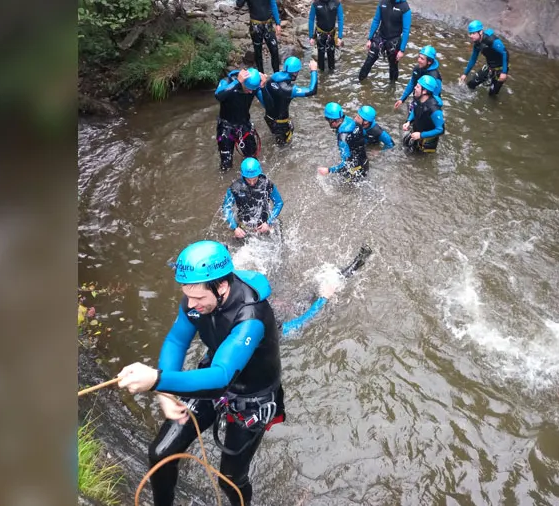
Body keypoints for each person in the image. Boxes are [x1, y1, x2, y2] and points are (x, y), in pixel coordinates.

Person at [116, 240, 285, 506]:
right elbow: (176, 340)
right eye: (187, 296)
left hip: (250, 398)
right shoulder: (196, 298)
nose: (191, 304)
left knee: (230, 479)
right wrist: (165, 392)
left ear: (222, 286)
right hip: (211, 378)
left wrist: (157, 380)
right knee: (160, 454)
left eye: (198, 298)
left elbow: (221, 377)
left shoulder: (251, 317)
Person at [280, 245, 373, 337]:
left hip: (291, 312)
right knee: (331, 288)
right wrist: (323, 298)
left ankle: (352, 266)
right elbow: (301, 322)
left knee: (315, 291)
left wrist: (284, 305)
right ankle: (357, 264)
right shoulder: (280, 332)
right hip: (306, 318)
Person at [257, 57, 318, 146]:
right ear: (295, 73)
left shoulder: (273, 78)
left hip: (269, 117)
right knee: (283, 147)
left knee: (275, 139)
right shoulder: (288, 89)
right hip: (281, 124)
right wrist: (314, 71)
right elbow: (312, 90)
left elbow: (265, 97)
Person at [215, 68, 265, 172]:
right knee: (226, 165)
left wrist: (263, 87)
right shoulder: (227, 82)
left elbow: (269, 106)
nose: (250, 92)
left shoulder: (254, 87)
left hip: (244, 125)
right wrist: (237, 82)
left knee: (252, 160)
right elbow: (218, 96)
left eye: (253, 89)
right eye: (248, 88)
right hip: (226, 127)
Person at [222, 158, 284, 239]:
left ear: (259, 174)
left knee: (279, 236)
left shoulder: (267, 184)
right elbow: (226, 208)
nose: (251, 183)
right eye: (248, 180)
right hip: (244, 226)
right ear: (243, 175)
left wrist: (268, 222)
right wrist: (235, 227)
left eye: (254, 179)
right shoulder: (235, 188)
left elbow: (279, 203)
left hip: (264, 224)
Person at [358, 0, 411, 82]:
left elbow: (406, 30)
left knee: (393, 67)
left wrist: (402, 50)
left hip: (394, 41)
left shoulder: (404, 7)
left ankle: (392, 87)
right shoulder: (383, 2)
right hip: (380, 37)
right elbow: (376, 20)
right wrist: (370, 39)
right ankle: (360, 81)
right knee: (369, 61)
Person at [316, 103, 370, 181]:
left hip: (355, 170)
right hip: (365, 162)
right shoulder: (353, 122)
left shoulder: (343, 139)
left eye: (327, 120)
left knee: (345, 186)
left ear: (332, 121)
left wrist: (328, 170)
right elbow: (364, 135)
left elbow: (346, 165)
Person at [458, 20, 510, 97]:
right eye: (470, 33)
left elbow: (505, 53)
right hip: (489, 67)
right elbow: (473, 59)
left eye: (473, 33)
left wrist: (504, 72)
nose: (471, 36)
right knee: (471, 84)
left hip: (500, 69)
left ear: (481, 32)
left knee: (492, 94)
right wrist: (465, 74)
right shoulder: (477, 44)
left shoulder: (491, 40)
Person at [401, 75, 444, 154]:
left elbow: (440, 130)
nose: (414, 88)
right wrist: (409, 121)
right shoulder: (418, 98)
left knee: (419, 158)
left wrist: (421, 135)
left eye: (417, 87)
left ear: (424, 91)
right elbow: (415, 109)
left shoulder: (434, 109)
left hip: (426, 141)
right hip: (416, 133)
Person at [236, 0, 282, 73]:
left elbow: (273, 4)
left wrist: (278, 23)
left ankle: (277, 75)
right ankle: (261, 75)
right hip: (255, 26)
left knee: (274, 50)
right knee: (258, 53)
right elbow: (239, 4)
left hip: (268, 25)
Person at [394, 45, 441, 114]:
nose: (419, 60)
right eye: (419, 57)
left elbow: (436, 98)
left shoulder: (435, 77)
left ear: (429, 62)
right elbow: (412, 83)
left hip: (428, 106)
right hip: (417, 99)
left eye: (422, 59)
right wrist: (402, 99)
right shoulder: (417, 69)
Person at [308, 0, 344, 72]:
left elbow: (340, 19)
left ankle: (331, 73)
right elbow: (311, 20)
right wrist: (311, 36)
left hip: (331, 33)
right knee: (320, 54)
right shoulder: (315, 4)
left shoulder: (337, 4)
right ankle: (321, 73)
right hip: (320, 33)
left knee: (331, 54)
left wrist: (340, 37)